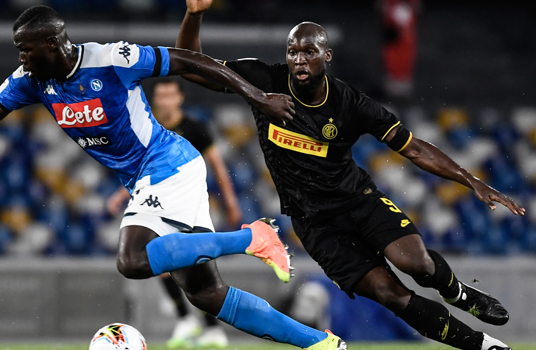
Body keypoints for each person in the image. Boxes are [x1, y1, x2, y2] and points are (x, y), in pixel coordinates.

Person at [0, 5, 346, 350]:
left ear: (53, 43)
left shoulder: (111, 58)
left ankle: (252, 239)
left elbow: (187, 60)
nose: (21, 59)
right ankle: (321, 343)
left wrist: (257, 96)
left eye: (27, 50)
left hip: (167, 164)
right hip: (152, 178)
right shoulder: (31, 81)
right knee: (206, 295)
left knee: (132, 259)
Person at [175, 1, 525, 350]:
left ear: (326, 56)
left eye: (309, 51)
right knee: (393, 296)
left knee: (415, 263)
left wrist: (471, 179)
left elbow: (413, 148)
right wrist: (195, 14)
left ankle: (459, 293)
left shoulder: (350, 104)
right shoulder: (263, 80)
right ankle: (483, 345)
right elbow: (191, 67)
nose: (299, 59)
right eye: (292, 51)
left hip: (358, 201)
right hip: (315, 224)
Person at [106, 78, 240, 348]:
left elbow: (217, 165)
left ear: (179, 98)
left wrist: (231, 201)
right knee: (160, 262)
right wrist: (121, 196)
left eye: (170, 95)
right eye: (160, 96)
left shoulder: (195, 127)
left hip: (190, 205)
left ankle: (212, 328)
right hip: (158, 206)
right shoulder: (148, 128)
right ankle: (185, 320)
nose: (165, 101)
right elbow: (142, 170)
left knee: (196, 264)